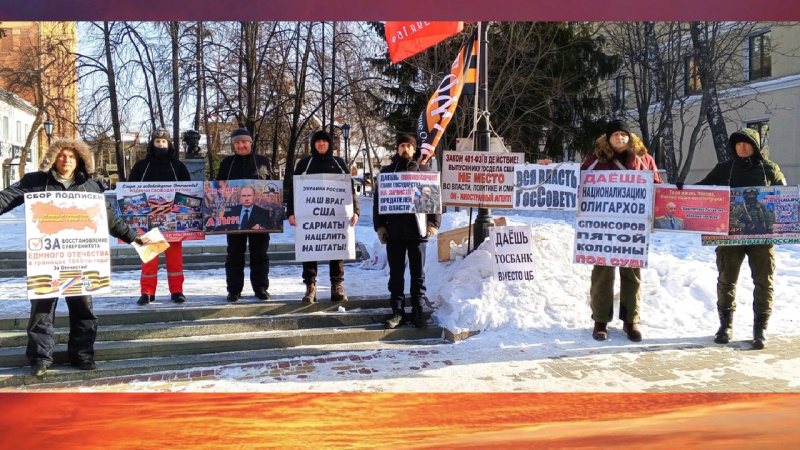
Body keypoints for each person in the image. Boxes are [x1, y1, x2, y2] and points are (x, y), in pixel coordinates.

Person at [0, 138, 145, 377]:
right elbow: (7, 197)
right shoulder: (36, 182)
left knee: (83, 309)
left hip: (81, 260)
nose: (66, 160)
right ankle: (40, 359)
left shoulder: (89, 185)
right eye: (61, 155)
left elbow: (109, 219)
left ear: (79, 159)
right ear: (53, 158)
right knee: (41, 310)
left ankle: (83, 355)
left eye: (71, 156)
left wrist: (134, 238)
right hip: (47, 260)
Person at [696, 127, 785, 349]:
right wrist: (679, 190)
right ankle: (725, 326)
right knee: (726, 279)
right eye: (737, 144)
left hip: (762, 239)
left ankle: (760, 329)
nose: (742, 147)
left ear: (755, 146)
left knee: (764, 281)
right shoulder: (724, 169)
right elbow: (701, 189)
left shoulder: (769, 169)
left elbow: (785, 197)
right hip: (730, 236)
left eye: (746, 143)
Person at [580, 119, 663, 342]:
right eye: (615, 135)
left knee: (633, 275)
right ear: (608, 139)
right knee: (602, 274)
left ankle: (631, 321)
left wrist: (674, 191)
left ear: (629, 137)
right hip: (603, 227)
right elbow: (576, 182)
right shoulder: (595, 161)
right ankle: (600, 321)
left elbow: (657, 186)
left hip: (634, 227)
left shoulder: (644, 159)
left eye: (623, 134)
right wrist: (549, 169)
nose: (620, 138)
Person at [373, 134, 441, 329]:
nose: (405, 149)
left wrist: (434, 223)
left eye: (408, 146)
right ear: (397, 149)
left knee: (418, 274)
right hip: (394, 233)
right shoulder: (387, 173)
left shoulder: (424, 172)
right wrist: (380, 227)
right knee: (396, 274)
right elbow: (378, 202)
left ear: (414, 149)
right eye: (401, 146)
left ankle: (418, 311)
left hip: (417, 232)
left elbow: (434, 201)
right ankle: (397, 311)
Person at [287, 130, 360, 303]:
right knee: (310, 249)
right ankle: (310, 286)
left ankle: (337, 286)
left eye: (324, 141)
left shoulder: (339, 163)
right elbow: (294, 190)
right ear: (313, 144)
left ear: (330, 145)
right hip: (309, 217)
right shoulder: (304, 164)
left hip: (335, 216)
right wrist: (290, 211)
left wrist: (356, 210)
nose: (321, 144)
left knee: (336, 248)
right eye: (318, 141)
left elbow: (349, 189)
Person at [128, 127, 192, 305]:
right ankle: (147, 292)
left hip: (173, 222)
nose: (160, 144)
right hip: (148, 223)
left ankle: (177, 291)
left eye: (164, 142)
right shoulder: (142, 166)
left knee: (175, 260)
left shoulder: (178, 166)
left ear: (169, 144)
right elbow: (130, 190)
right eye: (157, 141)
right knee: (148, 258)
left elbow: (188, 192)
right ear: (152, 143)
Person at [216, 128, 275, 302]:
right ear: (234, 145)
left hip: (259, 215)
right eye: (237, 143)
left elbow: (272, 188)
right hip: (234, 215)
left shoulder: (262, 161)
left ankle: (261, 288)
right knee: (234, 253)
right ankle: (234, 290)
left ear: (250, 143)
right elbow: (219, 187)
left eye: (244, 142)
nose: (241, 145)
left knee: (260, 254)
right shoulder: (227, 163)